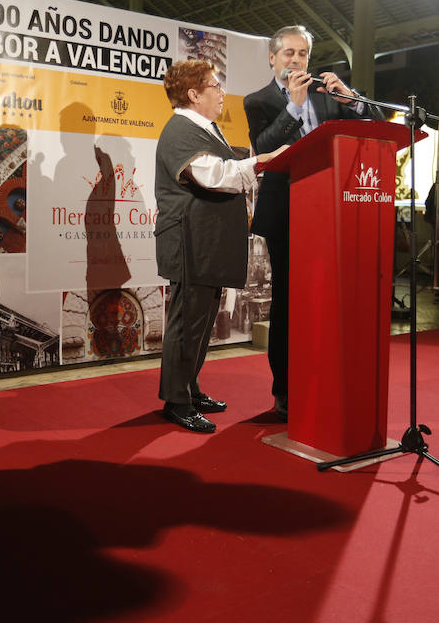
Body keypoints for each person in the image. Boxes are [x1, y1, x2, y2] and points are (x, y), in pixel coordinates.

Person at [245, 25, 384, 421]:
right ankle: (285, 392)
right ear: (273, 58)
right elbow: (267, 148)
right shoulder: (259, 100)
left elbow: (373, 124)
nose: (296, 60)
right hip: (287, 214)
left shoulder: (327, 95)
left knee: (329, 301)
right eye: (288, 53)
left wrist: (351, 100)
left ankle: (325, 379)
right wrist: (293, 104)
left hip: (334, 212)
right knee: (289, 304)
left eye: (302, 54)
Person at [155, 59, 286, 433]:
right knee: (187, 323)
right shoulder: (180, 129)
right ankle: (176, 401)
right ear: (193, 94)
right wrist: (260, 161)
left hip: (206, 242)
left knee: (201, 321)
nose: (221, 91)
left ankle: (190, 388)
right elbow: (212, 175)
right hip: (190, 241)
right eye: (214, 85)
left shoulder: (204, 128)